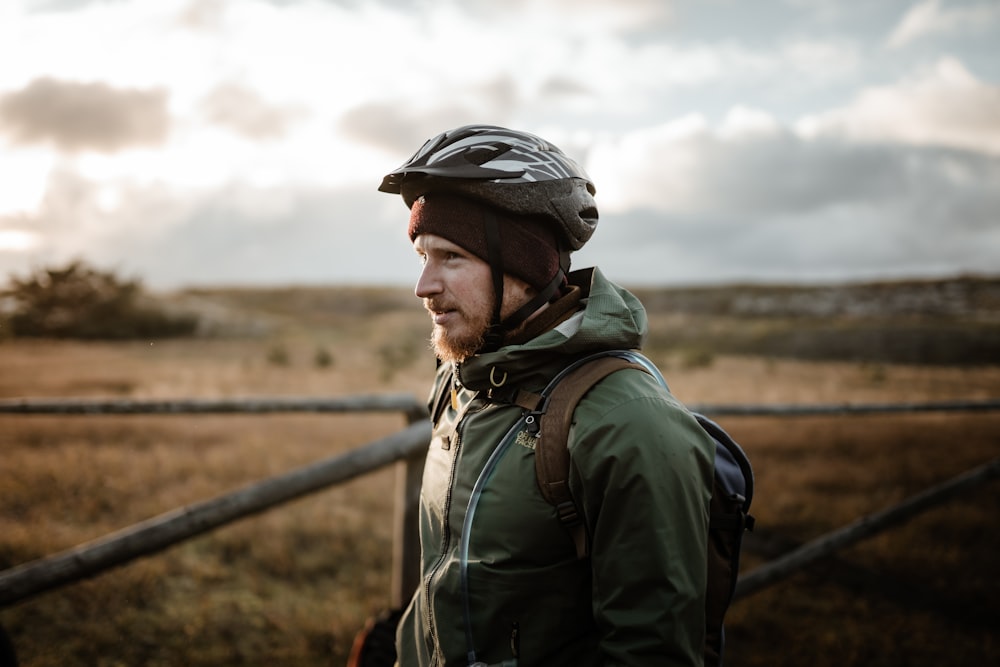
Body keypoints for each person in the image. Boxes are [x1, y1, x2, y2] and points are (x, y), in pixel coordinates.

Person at [378, 125, 715, 666]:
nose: (424, 285)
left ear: (525, 265)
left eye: (451, 257)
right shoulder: (463, 383)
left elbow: (653, 652)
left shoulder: (630, 423)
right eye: (422, 256)